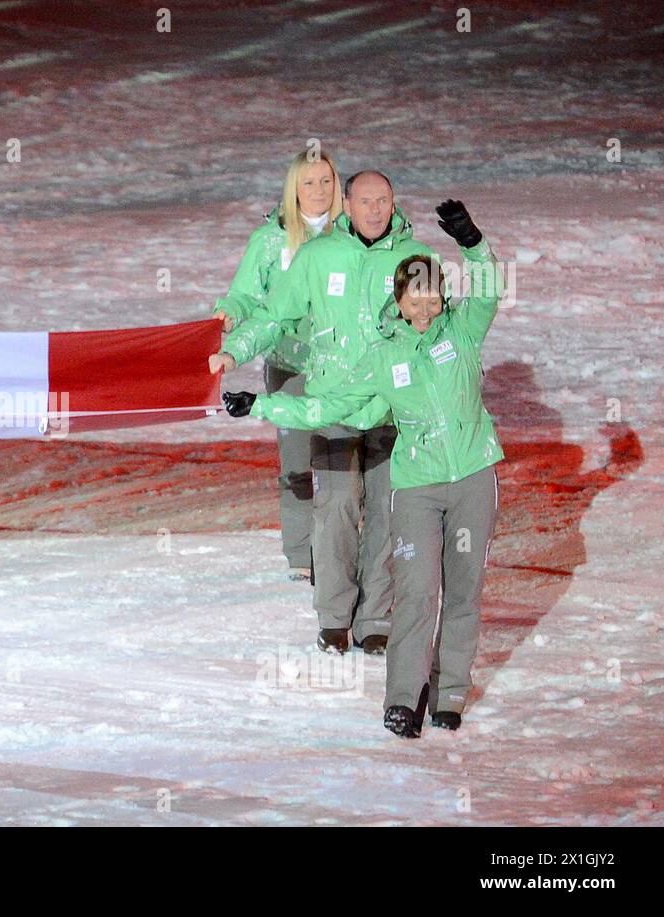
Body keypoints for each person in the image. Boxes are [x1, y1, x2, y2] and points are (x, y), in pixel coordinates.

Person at [225, 227, 503, 737]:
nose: (425, 300)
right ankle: (402, 699)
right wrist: (261, 404)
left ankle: (450, 693)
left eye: (433, 288)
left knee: (463, 592)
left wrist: (471, 242)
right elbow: (329, 406)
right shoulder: (384, 356)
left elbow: (487, 285)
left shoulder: (464, 329)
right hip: (417, 487)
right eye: (414, 291)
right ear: (398, 299)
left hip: (473, 479)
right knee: (417, 592)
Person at [213, 149, 342, 579]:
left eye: (326, 181)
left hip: (344, 368)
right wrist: (229, 312)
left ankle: (343, 552)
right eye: (309, 183)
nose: (319, 191)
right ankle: (302, 556)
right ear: (293, 189)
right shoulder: (271, 239)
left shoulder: (351, 232)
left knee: (346, 468)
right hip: (289, 364)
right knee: (299, 464)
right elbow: (246, 292)